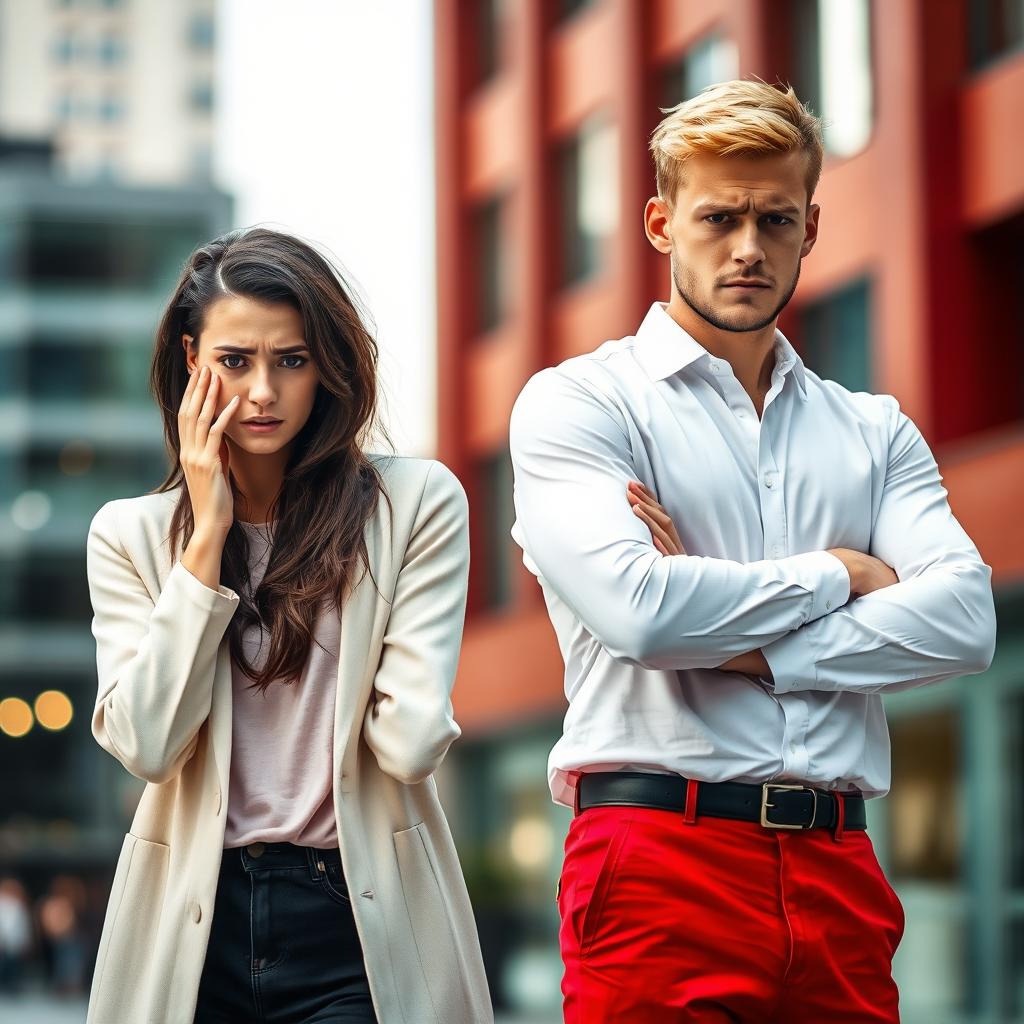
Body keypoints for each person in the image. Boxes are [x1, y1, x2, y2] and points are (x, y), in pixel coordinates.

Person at [509, 80, 996, 1023]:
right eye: (719, 217)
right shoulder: (583, 405)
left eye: (775, 220)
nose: (747, 248)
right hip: (657, 860)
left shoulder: (874, 430)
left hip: (841, 866)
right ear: (660, 223)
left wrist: (735, 637)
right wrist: (843, 577)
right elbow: (640, 613)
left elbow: (967, 620)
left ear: (811, 228)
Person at [84, 228, 492, 1024]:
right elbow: (148, 744)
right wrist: (206, 539)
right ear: (191, 361)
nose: (263, 391)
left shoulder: (414, 506)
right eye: (236, 361)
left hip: (356, 916)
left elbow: (409, 744)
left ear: (329, 369)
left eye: (292, 360)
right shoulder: (130, 535)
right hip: (194, 926)